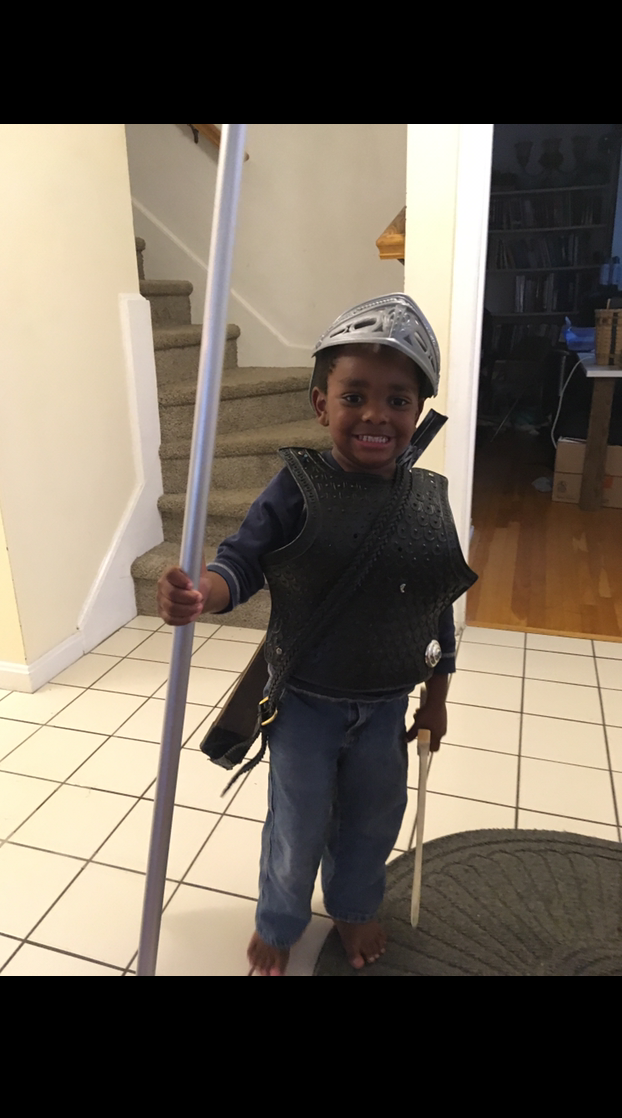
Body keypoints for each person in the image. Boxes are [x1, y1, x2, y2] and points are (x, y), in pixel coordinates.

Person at [157, 294, 476, 976]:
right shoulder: (296, 487)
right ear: (321, 404)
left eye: (397, 400)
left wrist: (437, 699)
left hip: (386, 705)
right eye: (354, 396)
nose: (376, 415)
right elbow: (241, 562)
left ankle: (355, 909)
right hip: (305, 703)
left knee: (373, 818)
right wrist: (202, 593)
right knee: (297, 823)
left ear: (418, 411)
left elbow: (434, 605)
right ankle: (280, 920)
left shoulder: (426, 501)